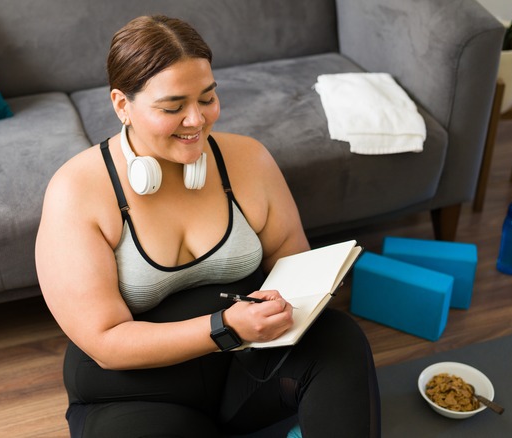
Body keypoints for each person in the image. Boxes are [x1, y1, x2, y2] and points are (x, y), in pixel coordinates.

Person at [35, 15, 380, 437]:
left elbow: (295, 262)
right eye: (173, 107)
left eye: (207, 98)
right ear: (122, 105)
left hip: (244, 369)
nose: (197, 120)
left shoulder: (248, 160)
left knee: (338, 338)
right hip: (135, 393)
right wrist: (225, 327)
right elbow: (105, 343)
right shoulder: (76, 191)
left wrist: (291, 299)